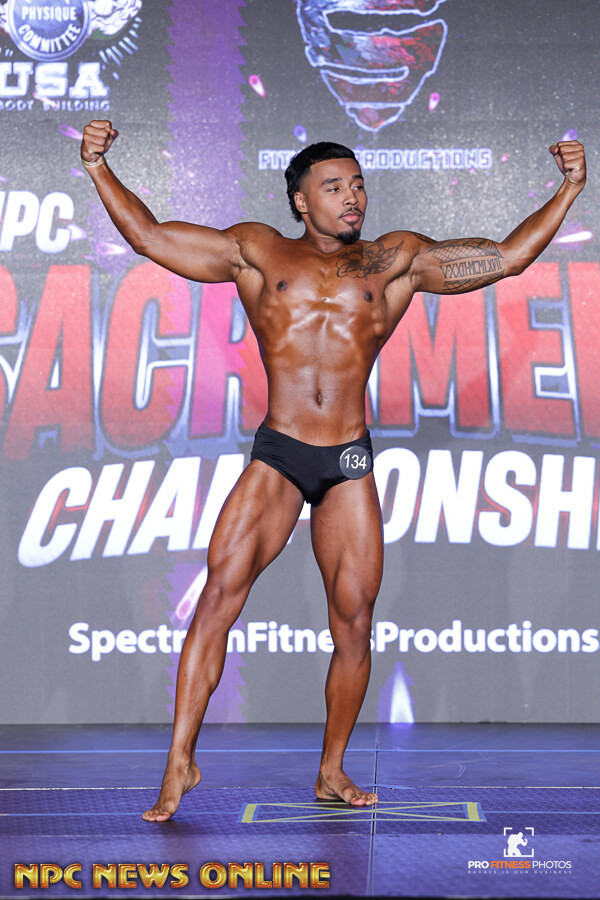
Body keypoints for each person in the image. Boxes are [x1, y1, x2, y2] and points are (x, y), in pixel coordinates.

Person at [80, 121, 585, 820]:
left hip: (347, 458)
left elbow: (507, 258)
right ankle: (180, 761)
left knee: (352, 621)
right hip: (281, 452)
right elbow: (148, 236)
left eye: (358, 185)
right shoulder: (257, 250)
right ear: (300, 200)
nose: (352, 197)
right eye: (334, 187)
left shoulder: (394, 260)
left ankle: (331, 770)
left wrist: (570, 188)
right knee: (218, 597)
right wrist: (98, 166)